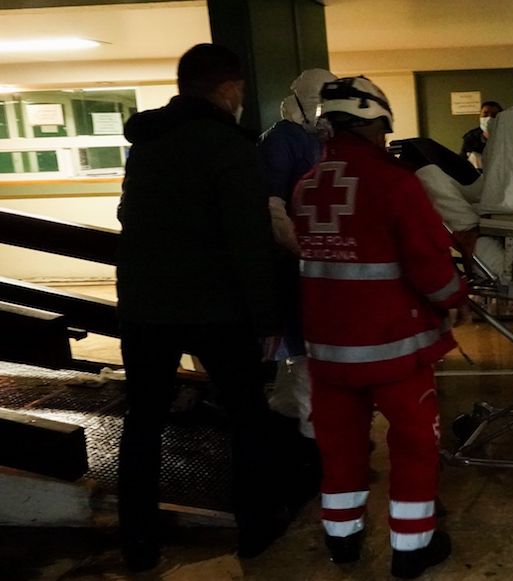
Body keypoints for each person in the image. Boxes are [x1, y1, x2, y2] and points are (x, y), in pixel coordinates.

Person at [116, 43, 285, 571]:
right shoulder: (229, 146)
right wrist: (267, 318)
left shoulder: (146, 143)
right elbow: (248, 240)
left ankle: (138, 544)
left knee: (142, 422)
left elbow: (126, 214)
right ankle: (255, 528)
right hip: (218, 308)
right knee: (246, 417)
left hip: (145, 306)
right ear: (229, 88)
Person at [294, 76, 465, 579]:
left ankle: (342, 543)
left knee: (340, 449)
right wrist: (455, 298)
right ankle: (412, 550)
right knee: (414, 446)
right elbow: (428, 262)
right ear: (375, 123)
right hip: (393, 349)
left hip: (328, 353)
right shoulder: (394, 183)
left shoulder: (307, 185)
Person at [258, 68, 337, 507]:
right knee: (305, 356)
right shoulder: (282, 142)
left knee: (300, 364)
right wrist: (300, 249)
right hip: (296, 262)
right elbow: (274, 206)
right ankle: (313, 451)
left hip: (316, 261)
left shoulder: (315, 139)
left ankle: (293, 430)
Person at [460, 100, 502, 170]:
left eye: (494, 115)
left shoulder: (507, 137)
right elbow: (461, 162)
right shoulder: (471, 138)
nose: (489, 118)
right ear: (480, 115)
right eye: (485, 114)